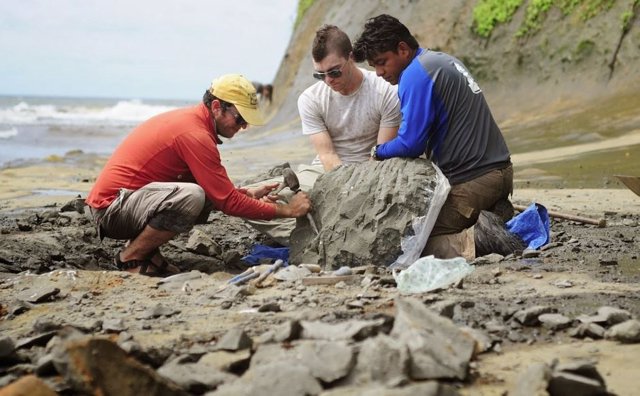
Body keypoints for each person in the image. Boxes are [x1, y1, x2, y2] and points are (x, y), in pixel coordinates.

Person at [86, 74, 312, 275]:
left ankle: (148, 252)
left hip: (126, 202)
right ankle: (130, 257)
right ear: (216, 107)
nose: (243, 127)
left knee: (200, 193)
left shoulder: (194, 123)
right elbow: (228, 203)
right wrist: (288, 210)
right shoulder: (195, 135)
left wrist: (248, 194)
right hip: (111, 210)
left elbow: (220, 192)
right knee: (192, 196)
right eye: (240, 118)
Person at [353, 14, 513, 259]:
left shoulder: (414, 75)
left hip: (474, 182)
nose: (378, 72)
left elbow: (410, 144)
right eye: (373, 66)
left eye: (382, 62)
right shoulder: (438, 60)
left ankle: (478, 239)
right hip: (501, 173)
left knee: (409, 241)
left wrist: (378, 151)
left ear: (403, 49)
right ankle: (491, 211)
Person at [245, 24, 401, 245]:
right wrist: (342, 188)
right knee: (250, 201)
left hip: (373, 171)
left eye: (334, 71)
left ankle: (322, 233)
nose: (329, 80)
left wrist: (356, 192)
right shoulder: (310, 99)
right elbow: (327, 155)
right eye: (320, 75)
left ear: (351, 57)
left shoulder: (385, 91)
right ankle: (316, 238)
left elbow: (381, 154)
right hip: (326, 171)